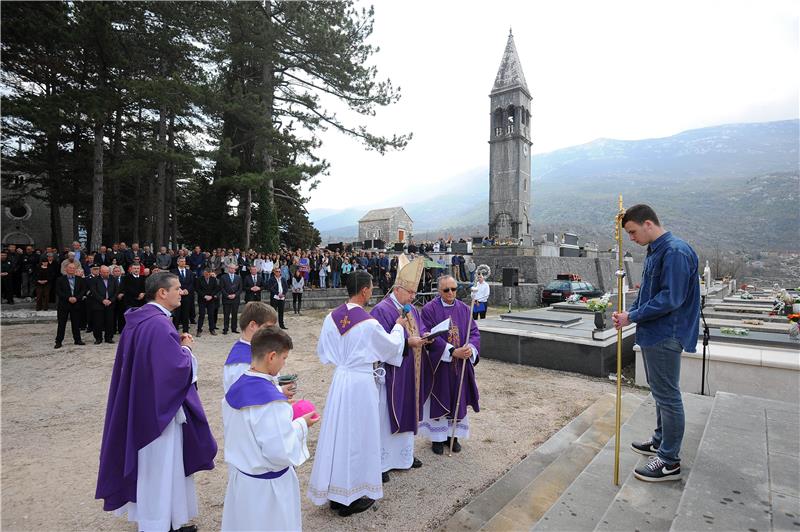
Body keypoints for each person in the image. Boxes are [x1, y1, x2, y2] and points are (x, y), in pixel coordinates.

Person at [95, 272, 217, 530]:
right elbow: (175, 370)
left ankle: (169, 518)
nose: (182, 292)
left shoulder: (141, 320)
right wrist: (186, 349)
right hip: (157, 413)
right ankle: (158, 523)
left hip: (144, 404)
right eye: (178, 288)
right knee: (160, 467)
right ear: (162, 293)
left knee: (165, 465)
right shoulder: (159, 325)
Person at [307, 271, 408, 516]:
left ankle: (335, 491)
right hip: (361, 383)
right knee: (359, 437)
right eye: (371, 287)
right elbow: (390, 348)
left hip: (341, 381)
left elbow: (324, 352)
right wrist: (398, 327)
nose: (372, 291)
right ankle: (349, 497)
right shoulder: (368, 322)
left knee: (338, 434)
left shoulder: (331, 317)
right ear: (364, 290)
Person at [612, 204, 699, 483]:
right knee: (660, 393)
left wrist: (633, 316)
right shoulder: (656, 251)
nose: (632, 238)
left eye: (633, 232)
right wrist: (628, 314)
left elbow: (670, 298)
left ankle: (669, 460)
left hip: (665, 333)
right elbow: (648, 292)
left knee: (668, 396)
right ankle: (661, 442)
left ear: (648, 224)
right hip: (653, 332)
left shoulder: (674, 251)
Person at [221, 326, 318, 531]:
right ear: (271, 356)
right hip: (268, 490)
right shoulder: (272, 403)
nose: (284, 363)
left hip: (243, 482)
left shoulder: (236, 388)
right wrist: (302, 425)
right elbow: (280, 452)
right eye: (284, 358)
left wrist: (284, 415)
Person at [369, 255, 431, 481]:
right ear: (398, 289)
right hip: (391, 375)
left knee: (409, 409)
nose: (414, 297)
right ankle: (382, 463)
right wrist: (407, 343)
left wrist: (425, 336)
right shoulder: (381, 310)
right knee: (387, 416)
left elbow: (420, 327)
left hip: (411, 370)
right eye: (411, 293)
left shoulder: (410, 308)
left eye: (415, 293)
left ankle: (404, 456)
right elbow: (378, 345)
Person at [420, 275, 480, 454]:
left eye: (454, 289)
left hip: (460, 365)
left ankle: (452, 436)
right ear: (439, 291)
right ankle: (437, 439)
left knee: (457, 399)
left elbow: (474, 332)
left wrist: (470, 348)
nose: (451, 293)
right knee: (440, 397)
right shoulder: (429, 309)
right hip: (440, 364)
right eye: (446, 290)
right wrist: (452, 351)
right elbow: (427, 333)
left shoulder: (464, 309)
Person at [222, 302, 279, 393]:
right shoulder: (243, 362)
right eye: (268, 328)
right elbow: (246, 395)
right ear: (252, 325)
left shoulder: (256, 350)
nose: (273, 332)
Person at [54, 262, 87, 349]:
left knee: (76, 323)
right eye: (70, 268)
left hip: (76, 304)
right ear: (66, 269)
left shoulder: (80, 279)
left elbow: (83, 290)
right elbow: (58, 291)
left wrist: (76, 298)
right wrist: (68, 298)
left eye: (73, 268)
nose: (72, 269)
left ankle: (77, 340)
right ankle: (58, 341)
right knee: (62, 324)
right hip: (64, 304)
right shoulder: (60, 279)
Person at [88, 265, 120, 345]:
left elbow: (116, 291)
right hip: (98, 304)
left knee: (110, 322)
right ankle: (98, 338)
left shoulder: (113, 279)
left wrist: (111, 300)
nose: (106, 274)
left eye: (107, 272)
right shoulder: (94, 280)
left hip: (110, 304)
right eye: (104, 272)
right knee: (98, 322)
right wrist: (102, 300)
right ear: (100, 272)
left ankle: (109, 338)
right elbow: (94, 292)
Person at [172, 258, 195, 334]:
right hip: (177, 296)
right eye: (181, 261)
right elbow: (172, 283)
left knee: (186, 314)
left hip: (187, 296)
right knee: (177, 314)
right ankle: (174, 331)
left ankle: (186, 331)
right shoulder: (173, 272)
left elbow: (192, 283)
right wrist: (179, 290)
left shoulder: (189, 272)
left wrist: (187, 290)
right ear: (178, 262)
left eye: (184, 261)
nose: (183, 262)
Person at [195, 268, 220, 337]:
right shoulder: (199, 279)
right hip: (202, 300)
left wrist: (211, 296)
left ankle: (212, 329)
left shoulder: (213, 279)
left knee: (211, 315)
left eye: (208, 274)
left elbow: (216, 289)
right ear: (204, 273)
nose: (207, 275)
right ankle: (199, 330)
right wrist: (204, 296)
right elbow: (197, 289)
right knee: (202, 315)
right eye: (206, 274)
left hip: (211, 300)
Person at [220, 263, 242, 335]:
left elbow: (240, 288)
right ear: (228, 269)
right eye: (230, 268)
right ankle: (225, 328)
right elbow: (222, 288)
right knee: (226, 314)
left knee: (234, 314)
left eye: (233, 268)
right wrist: (227, 295)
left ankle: (234, 328)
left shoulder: (238, 277)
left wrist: (235, 295)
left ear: (235, 269)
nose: (232, 269)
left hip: (235, 299)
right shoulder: (223, 277)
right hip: (226, 299)